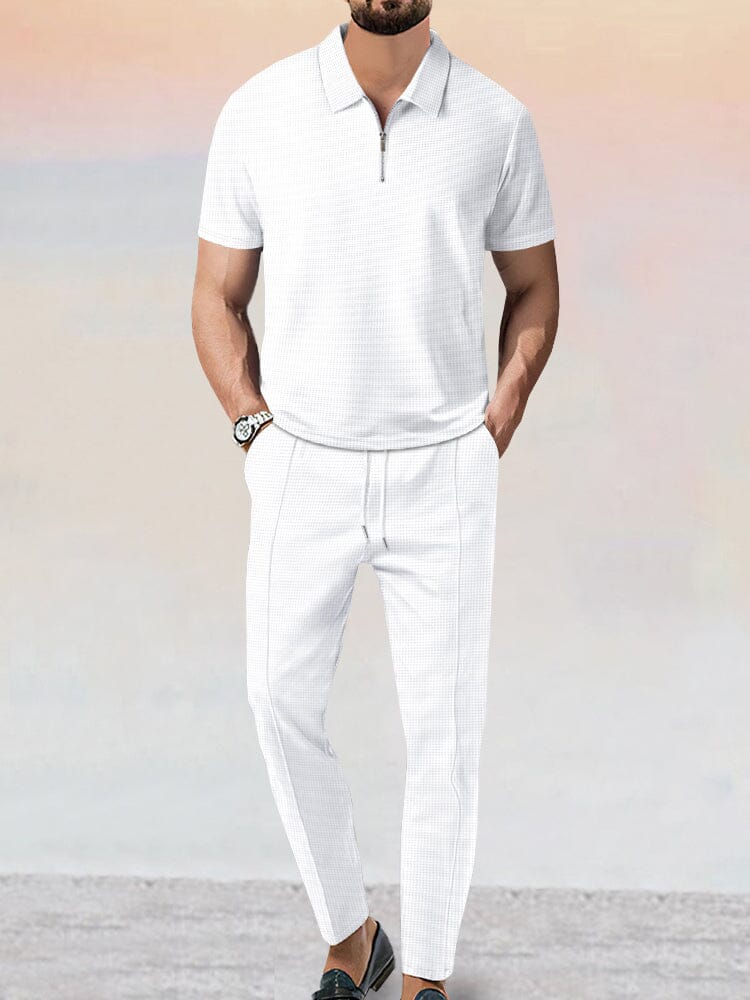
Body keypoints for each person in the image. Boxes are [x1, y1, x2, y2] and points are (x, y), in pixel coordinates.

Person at [191, 2, 559, 998]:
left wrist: (496, 421)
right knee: (278, 700)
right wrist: (254, 432)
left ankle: (424, 976)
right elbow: (217, 295)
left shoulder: (497, 121)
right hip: (302, 461)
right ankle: (352, 936)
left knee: (445, 733)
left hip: (445, 467)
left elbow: (534, 286)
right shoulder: (260, 110)